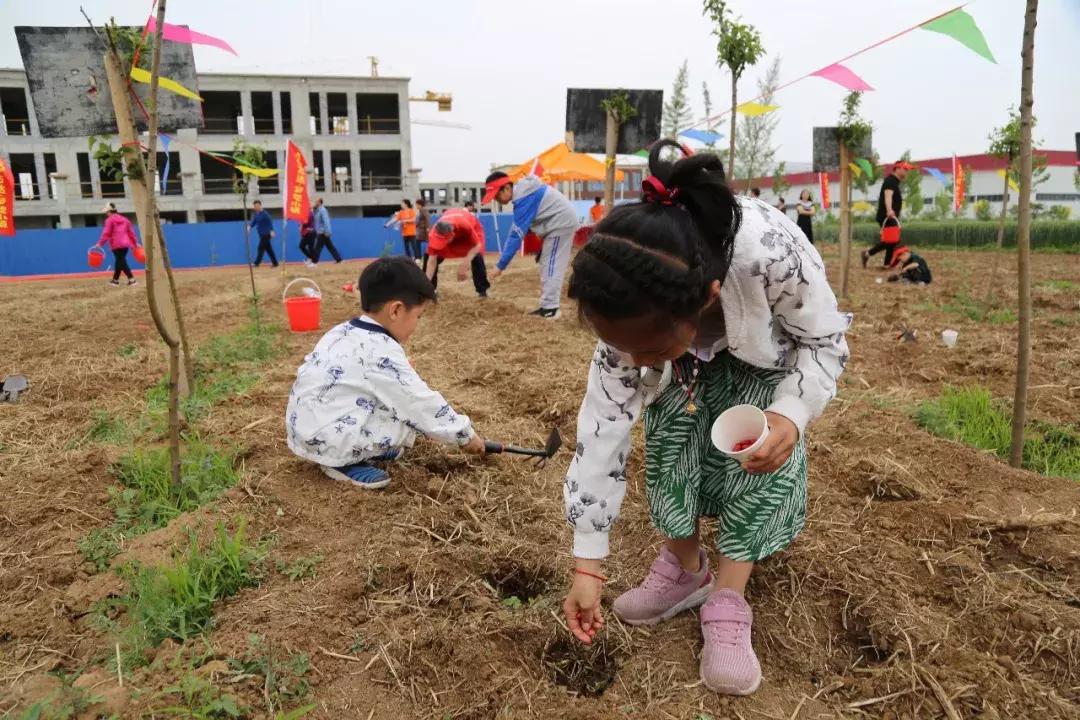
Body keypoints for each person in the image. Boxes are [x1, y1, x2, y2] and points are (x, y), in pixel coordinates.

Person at [560, 140, 850, 695]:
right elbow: (601, 433)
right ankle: (685, 569)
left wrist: (790, 414)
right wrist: (587, 564)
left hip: (767, 362)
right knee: (670, 436)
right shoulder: (630, 285)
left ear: (708, 298)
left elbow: (825, 341)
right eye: (623, 350)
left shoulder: (773, 254)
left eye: (647, 350)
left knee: (757, 453)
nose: (633, 365)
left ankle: (729, 596)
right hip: (687, 363)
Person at [286, 257, 486, 489]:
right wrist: (465, 435)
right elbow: (419, 403)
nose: (416, 324)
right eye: (418, 316)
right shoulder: (380, 352)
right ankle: (342, 462)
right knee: (405, 412)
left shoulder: (343, 331)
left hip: (306, 427)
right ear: (396, 310)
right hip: (326, 440)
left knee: (389, 402)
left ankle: (364, 446)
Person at [484, 171, 579, 319]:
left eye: (497, 195)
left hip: (560, 223)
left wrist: (500, 266)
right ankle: (548, 306)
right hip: (555, 225)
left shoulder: (523, 198)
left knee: (551, 264)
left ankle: (551, 309)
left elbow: (516, 235)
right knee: (547, 263)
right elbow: (522, 227)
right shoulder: (523, 195)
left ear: (507, 188)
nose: (496, 199)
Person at [425, 207, 490, 299]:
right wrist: (425, 284)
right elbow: (431, 262)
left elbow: (477, 246)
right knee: (429, 256)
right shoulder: (433, 234)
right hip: (452, 227)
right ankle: (430, 291)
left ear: (452, 234)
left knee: (477, 256)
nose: (441, 244)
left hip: (468, 230)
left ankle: (482, 291)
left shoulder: (465, 226)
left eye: (443, 241)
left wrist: (465, 263)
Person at [862, 160, 915, 268]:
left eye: (907, 170)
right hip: (887, 216)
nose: (906, 172)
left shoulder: (894, 182)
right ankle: (870, 255)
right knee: (891, 240)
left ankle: (884, 263)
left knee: (891, 241)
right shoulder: (890, 181)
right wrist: (889, 210)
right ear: (897, 169)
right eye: (905, 169)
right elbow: (888, 196)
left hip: (890, 216)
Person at [97, 203, 140, 287]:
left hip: (116, 244)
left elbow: (106, 233)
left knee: (121, 261)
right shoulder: (125, 220)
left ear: (109, 211)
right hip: (125, 244)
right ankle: (115, 280)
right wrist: (135, 243)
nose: (106, 214)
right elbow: (131, 233)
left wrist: (100, 243)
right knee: (119, 261)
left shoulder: (109, 220)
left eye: (106, 212)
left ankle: (132, 280)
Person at [311, 197, 342, 265]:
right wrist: (313, 209)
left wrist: (328, 231)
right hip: (321, 232)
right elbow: (315, 220)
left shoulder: (323, 210)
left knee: (317, 247)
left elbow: (326, 221)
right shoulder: (318, 210)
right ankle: (339, 259)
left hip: (323, 232)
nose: (315, 203)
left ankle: (314, 262)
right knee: (330, 246)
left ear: (319, 202)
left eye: (316, 202)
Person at [249, 200, 278, 268]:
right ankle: (275, 263)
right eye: (254, 206)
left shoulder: (265, 214)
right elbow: (254, 222)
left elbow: (270, 222)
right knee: (269, 250)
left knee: (260, 248)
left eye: (257, 206)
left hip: (266, 234)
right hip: (261, 235)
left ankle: (257, 263)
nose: (255, 207)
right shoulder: (257, 214)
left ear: (260, 205)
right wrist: (249, 226)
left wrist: (272, 230)